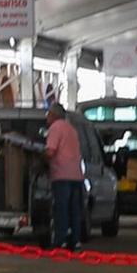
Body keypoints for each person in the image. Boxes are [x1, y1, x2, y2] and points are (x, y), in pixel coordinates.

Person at [44, 101, 87, 251]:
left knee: (61, 209)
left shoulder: (55, 128)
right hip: (76, 175)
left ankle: (60, 240)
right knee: (74, 210)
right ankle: (75, 241)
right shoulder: (72, 129)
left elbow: (50, 151)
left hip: (62, 175)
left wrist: (40, 158)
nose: (46, 118)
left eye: (48, 114)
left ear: (54, 115)